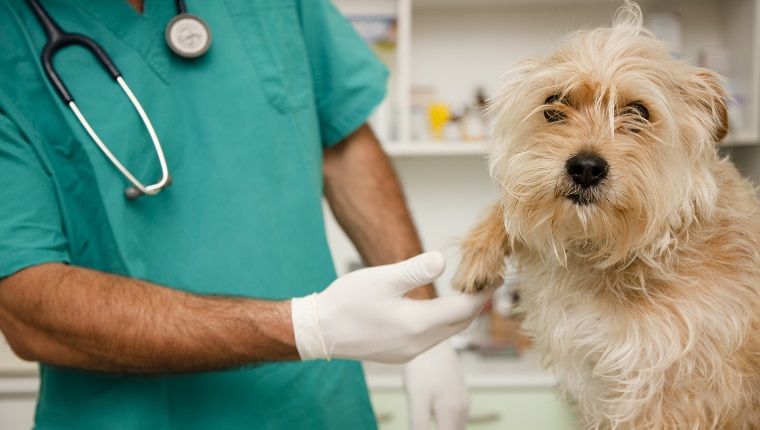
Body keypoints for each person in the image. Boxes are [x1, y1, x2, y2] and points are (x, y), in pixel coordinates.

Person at [0, 0, 492, 429]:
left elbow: (341, 141)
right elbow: (26, 303)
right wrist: (305, 327)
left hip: (319, 407)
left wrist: (424, 320)